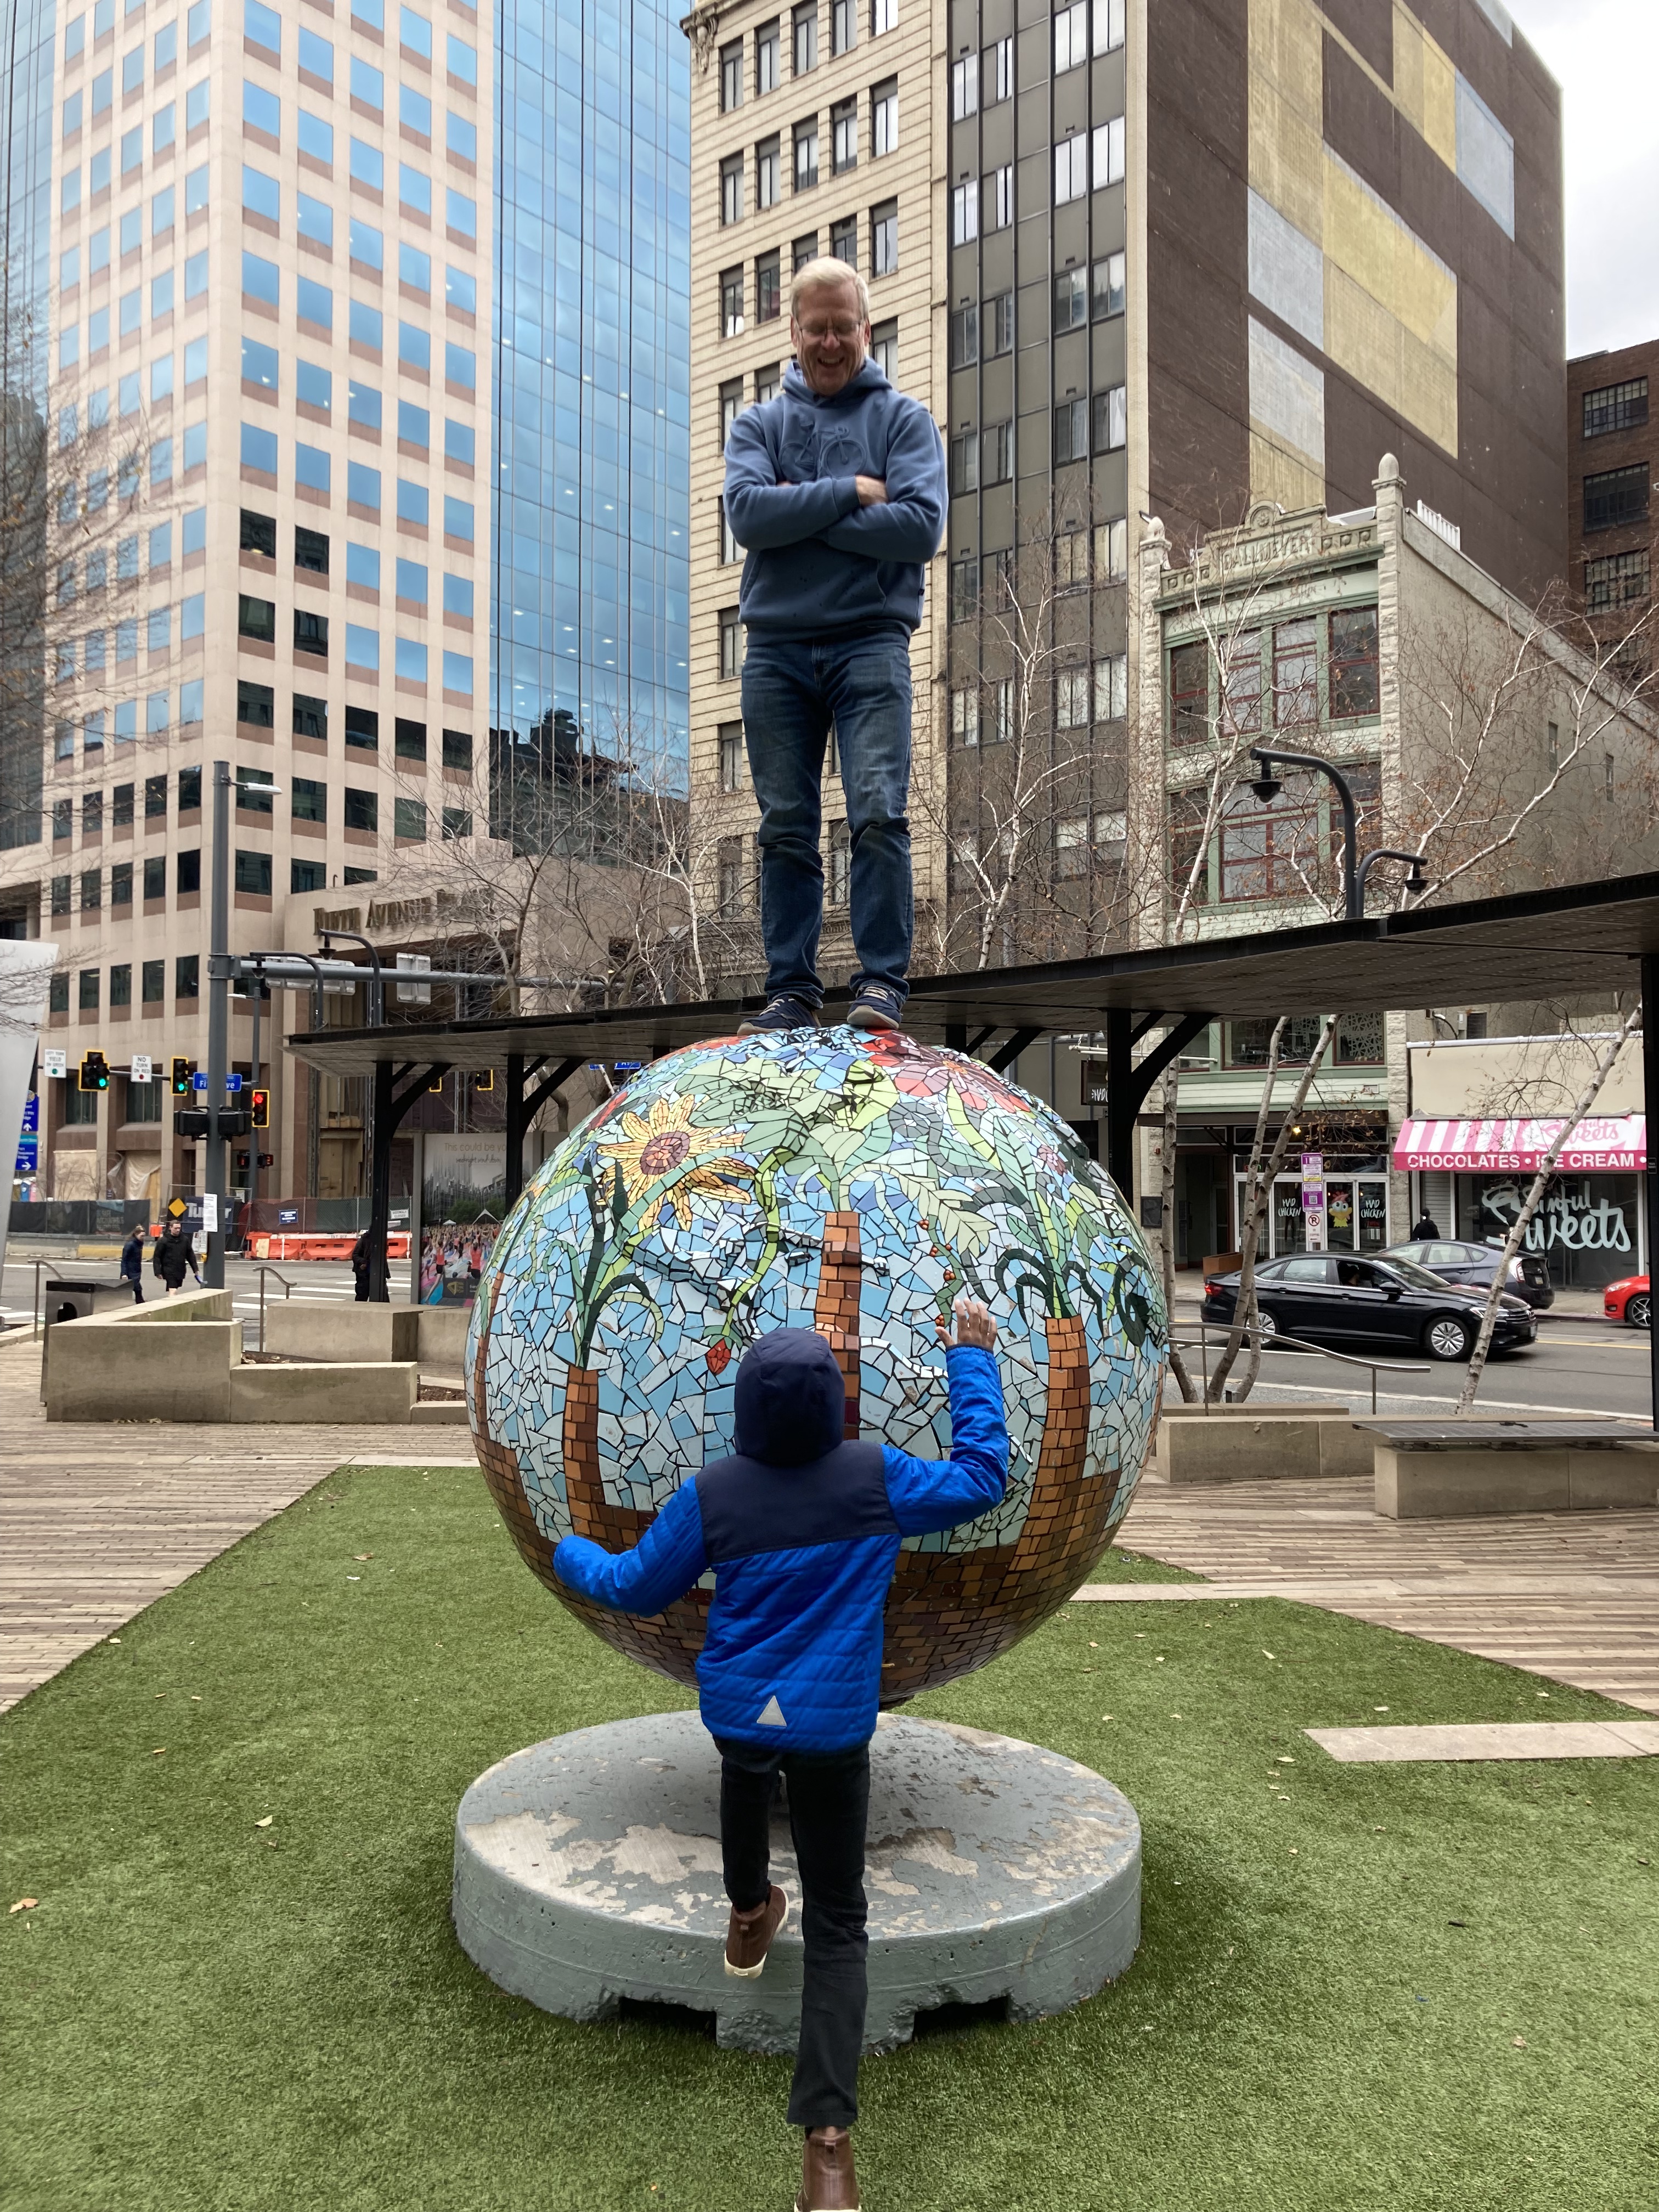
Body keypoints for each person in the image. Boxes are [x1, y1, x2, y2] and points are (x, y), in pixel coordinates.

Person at [554, 1299, 1006, 2212]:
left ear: (744, 1409)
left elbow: (633, 1585)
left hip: (741, 1715)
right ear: (835, 1403)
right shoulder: (874, 1478)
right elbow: (981, 1477)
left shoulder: (715, 1494)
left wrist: (566, 1551)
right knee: (838, 1920)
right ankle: (828, 2152)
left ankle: (749, 1913)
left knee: (745, 1771)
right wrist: (969, 1355)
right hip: (833, 1728)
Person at [723, 258, 947, 1039]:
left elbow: (918, 528)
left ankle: (881, 983)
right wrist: (852, 493)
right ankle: (791, 990)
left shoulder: (904, 422)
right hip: (776, 651)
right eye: (815, 328)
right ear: (793, 331)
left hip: (870, 643)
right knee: (785, 825)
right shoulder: (757, 426)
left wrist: (799, 515)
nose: (829, 342)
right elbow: (748, 517)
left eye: (842, 327)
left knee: (878, 812)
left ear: (866, 328)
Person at [151, 1220, 199, 1296]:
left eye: (179, 1228)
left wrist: (195, 1269)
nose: (178, 1230)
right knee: (173, 1288)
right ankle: (172, 1300)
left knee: (176, 1287)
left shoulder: (184, 1240)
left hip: (180, 1269)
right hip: (168, 1270)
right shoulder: (163, 1241)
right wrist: (158, 1272)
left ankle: (172, 1299)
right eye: (176, 1228)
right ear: (171, 1228)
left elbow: (190, 1255)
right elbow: (157, 1257)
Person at [119, 1222, 146, 1305]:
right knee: (137, 1289)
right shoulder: (131, 1245)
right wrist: (124, 1273)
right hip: (130, 1272)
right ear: (136, 1234)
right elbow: (124, 1260)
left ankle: (139, 1303)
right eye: (142, 1236)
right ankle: (140, 1303)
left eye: (144, 1236)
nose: (143, 1238)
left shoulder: (138, 1244)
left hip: (136, 1271)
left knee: (135, 1289)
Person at [351, 1228, 372, 1302]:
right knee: (362, 1294)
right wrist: (365, 1262)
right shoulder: (364, 1240)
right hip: (364, 1273)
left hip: (375, 1272)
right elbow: (355, 1255)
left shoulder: (380, 1241)